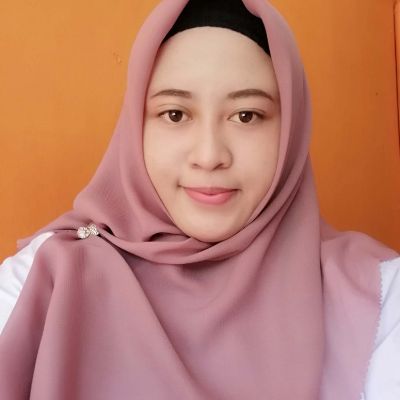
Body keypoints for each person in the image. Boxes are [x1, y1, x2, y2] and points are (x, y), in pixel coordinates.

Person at [0, 0, 399, 398]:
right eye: (175, 114)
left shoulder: (378, 296)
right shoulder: (42, 281)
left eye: (246, 115)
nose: (209, 156)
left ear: (290, 131)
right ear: (135, 127)